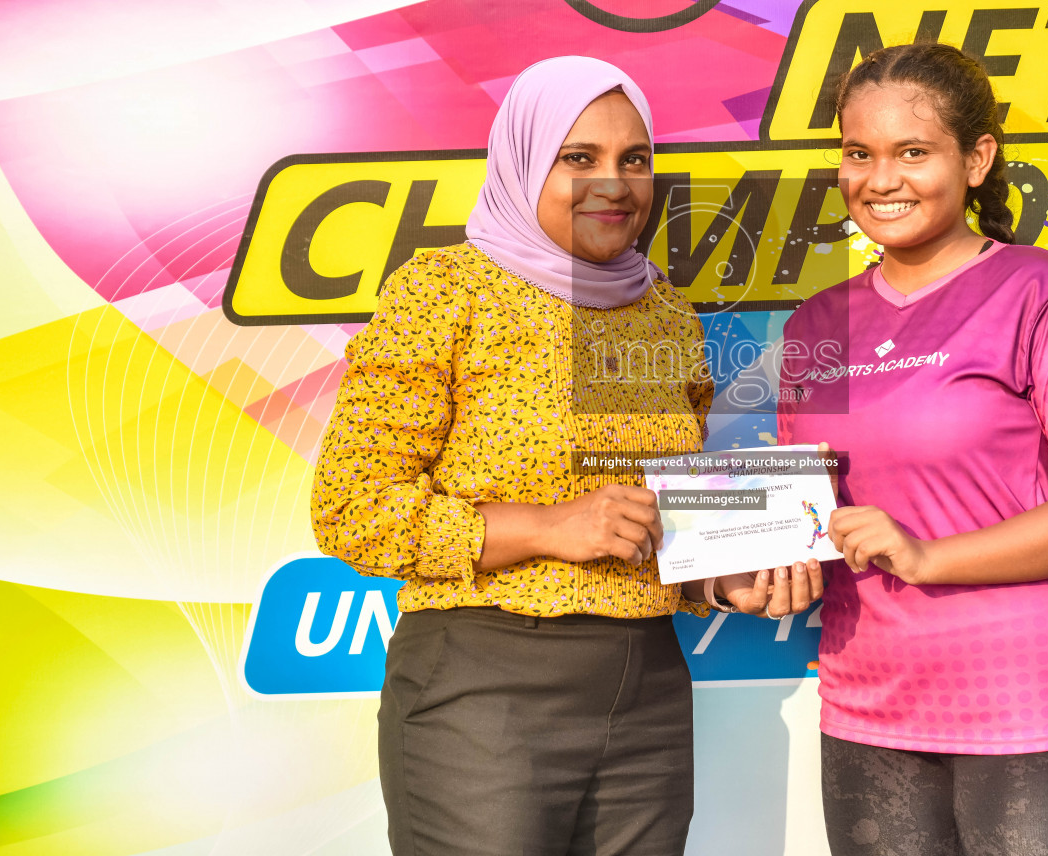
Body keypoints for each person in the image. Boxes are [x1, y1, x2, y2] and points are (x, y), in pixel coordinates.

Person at [310, 55, 819, 856]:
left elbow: (653, 518)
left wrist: (725, 578)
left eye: (634, 159)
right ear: (521, 160)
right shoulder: (446, 291)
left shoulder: (665, 316)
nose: (613, 183)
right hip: (483, 687)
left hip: (646, 689)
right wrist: (547, 526)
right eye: (577, 159)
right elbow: (353, 511)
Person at [778, 43, 1048, 856]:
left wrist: (924, 556)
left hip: (1027, 708)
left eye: (913, 152)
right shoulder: (817, 324)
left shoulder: (1037, 290)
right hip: (867, 711)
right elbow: (799, 517)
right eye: (857, 154)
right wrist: (751, 572)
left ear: (977, 159)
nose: (880, 179)